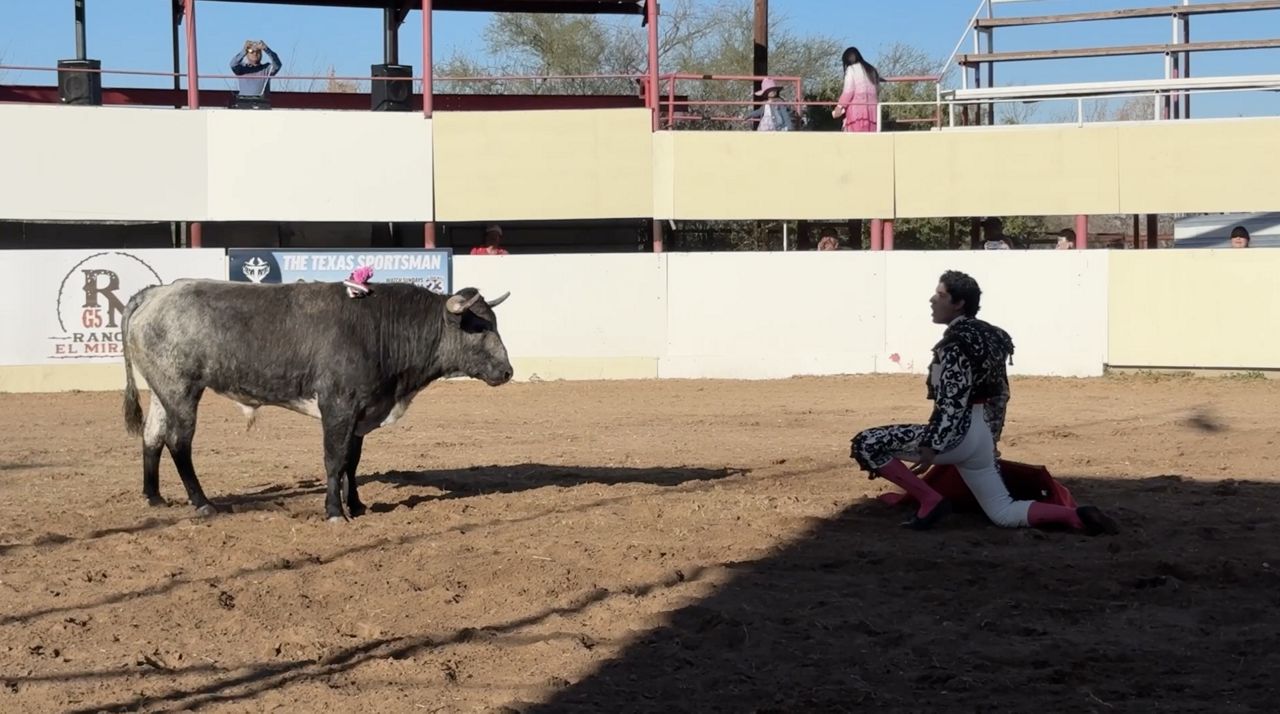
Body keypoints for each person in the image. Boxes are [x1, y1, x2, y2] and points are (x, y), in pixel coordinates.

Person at [850, 270, 1118, 535]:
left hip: (957, 435)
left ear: (959, 303)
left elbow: (952, 400)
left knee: (867, 443)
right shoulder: (992, 337)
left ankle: (929, 499)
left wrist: (932, 445)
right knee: (1003, 511)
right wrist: (992, 439)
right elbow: (1000, 392)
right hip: (981, 433)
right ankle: (1075, 516)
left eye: (941, 295)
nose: (933, 300)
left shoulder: (954, 344)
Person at [832, 46, 881, 133]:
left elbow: (848, 91)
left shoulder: (851, 69)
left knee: (855, 141)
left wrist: (839, 107)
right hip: (873, 112)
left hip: (857, 113)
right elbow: (877, 90)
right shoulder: (872, 70)